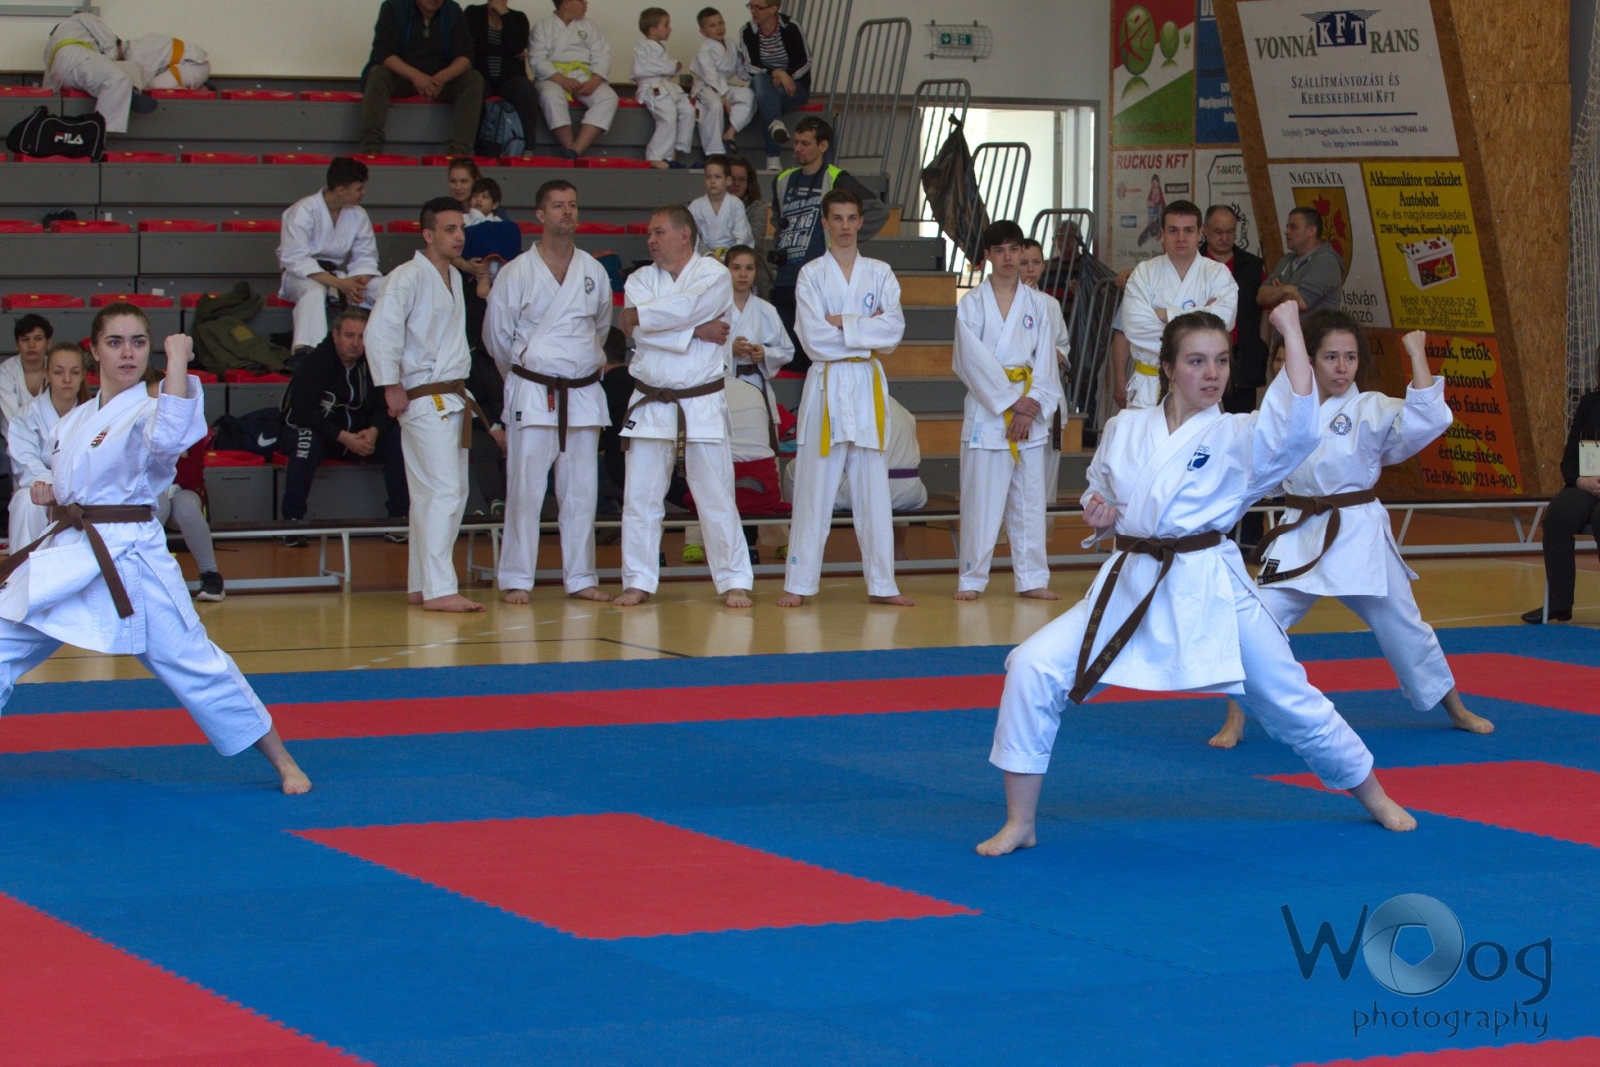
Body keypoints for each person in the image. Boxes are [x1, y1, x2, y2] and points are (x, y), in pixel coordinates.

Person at [976, 303, 1417, 857]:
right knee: (1031, 665)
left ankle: (1374, 795)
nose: (1212, 374)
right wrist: (1100, 513)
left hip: (1210, 585)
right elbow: (1103, 492)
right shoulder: (1125, 427)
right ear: (1167, 367)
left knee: (1290, 699)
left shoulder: (1240, 434)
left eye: (1222, 361)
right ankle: (1021, 821)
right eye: (1196, 361)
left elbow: (1299, 423)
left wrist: (1289, 331)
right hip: (1132, 583)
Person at [0, 306, 310, 795]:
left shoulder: (151, 409)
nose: (128, 353)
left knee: (194, 662)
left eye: (139, 342)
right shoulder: (75, 421)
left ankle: (283, 759)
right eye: (116, 342)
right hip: (75, 554)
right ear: (94, 350)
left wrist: (179, 361)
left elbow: (170, 438)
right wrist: (50, 491)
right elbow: (76, 484)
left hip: (131, 560)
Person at [1208, 315, 1492, 748]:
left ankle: (1456, 708)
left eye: (1350, 357)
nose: (1342, 367)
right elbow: (1259, 470)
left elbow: (1426, 419)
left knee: (1404, 627)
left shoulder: (1371, 408)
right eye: (1331, 357)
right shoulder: (1287, 412)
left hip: (1357, 533)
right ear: (1309, 360)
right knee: (1254, 620)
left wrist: (1417, 354)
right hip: (1300, 532)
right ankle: (1235, 718)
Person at [779, 189, 912, 608]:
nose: (845, 226)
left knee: (873, 489)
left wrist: (841, 322)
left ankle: (883, 584)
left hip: (866, 385)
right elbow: (814, 339)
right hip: (827, 383)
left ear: (860, 222)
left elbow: (893, 332)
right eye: (837, 218)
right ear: (825, 222)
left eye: (851, 218)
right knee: (814, 488)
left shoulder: (880, 272)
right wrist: (863, 327)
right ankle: (799, 583)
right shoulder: (811, 274)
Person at [615, 205, 754, 609]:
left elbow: (670, 314)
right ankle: (638, 580)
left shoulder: (714, 275)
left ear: (684, 235)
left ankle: (733, 579)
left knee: (715, 496)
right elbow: (641, 334)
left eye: (658, 232)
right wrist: (696, 331)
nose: (650, 240)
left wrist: (646, 318)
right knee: (640, 499)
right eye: (649, 233)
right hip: (650, 401)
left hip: (700, 401)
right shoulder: (640, 279)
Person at [485, 179, 614, 605]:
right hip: (533, 390)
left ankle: (581, 577)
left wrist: (573, 362)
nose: (567, 212)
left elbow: (600, 329)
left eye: (573, 205)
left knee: (581, 493)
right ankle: (516, 577)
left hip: (581, 392)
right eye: (558, 205)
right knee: (525, 491)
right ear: (540, 214)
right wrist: (529, 367)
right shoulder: (516, 272)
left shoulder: (593, 271)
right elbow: (497, 338)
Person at [365, 197, 486, 613]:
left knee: (438, 493)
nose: (459, 236)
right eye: (450, 229)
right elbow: (380, 332)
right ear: (428, 235)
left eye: (461, 229)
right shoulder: (406, 277)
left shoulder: (452, 277)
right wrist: (390, 385)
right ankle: (440, 588)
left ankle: (421, 584)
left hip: (450, 397)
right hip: (423, 396)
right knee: (443, 491)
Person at [953, 222, 1063, 602]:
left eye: (1013, 250)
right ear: (987, 256)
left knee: (1029, 501)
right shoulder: (971, 304)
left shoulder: (1039, 304)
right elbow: (969, 362)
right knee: (981, 500)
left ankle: (1032, 578)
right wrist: (1011, 401)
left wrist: (1029, 409)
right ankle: (971, 577)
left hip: (1029, 412)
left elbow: (1046, 362)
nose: (1007, 258)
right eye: (999, 250)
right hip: (989, 413)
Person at [682, 243, 791, 562]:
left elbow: (786, 351)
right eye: (736, 267)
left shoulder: (766, 310)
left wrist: (763, 353)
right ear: (726, 270)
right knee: (709, 462)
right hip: (718, 388)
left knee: (764, 462)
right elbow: (695, 346)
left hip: (755, 390)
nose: (743, 274)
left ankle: (776, 534)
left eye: (749, 268)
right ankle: (696, 537)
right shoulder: (713, 309)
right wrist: (730, 349)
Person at [769, 117, 888, 374]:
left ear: (823, 146)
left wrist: (844, 236)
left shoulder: (836, 177)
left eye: (805, 143)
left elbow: (878, 211)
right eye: (796, 143)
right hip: (786, 279)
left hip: (821, 279)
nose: (797, 149)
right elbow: (779, 221)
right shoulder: (782, 180)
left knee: (817, 355)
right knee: (789, 360)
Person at [279, 307, 409, 541]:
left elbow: (386, 406)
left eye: (362, 337)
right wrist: (342, 436)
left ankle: (398, 519)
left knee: (400, 438)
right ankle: (292, 522)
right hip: (323, 434)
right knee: (305, 442)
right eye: (349, 336)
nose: (356, 343)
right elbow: (304, 412)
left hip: (361, 436)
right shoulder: (315, 363)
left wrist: (374, 431)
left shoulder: (374, 363)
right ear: (335, 335)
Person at [1117, 200, 1239, 411]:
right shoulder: (1143, 274)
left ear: (1200, 233)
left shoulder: (1218, 274)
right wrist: (1202, 317)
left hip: (1201, 384)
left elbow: (1222, 322)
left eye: (1188, 230)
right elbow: (1136, 328)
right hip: (1149, 385)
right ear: (1162, 234)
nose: (1181, 238)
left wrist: (1168, 314)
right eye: (1173, 230)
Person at [277, 157, 384, 357]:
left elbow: (365, 256)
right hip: (300, 276)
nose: (363, 192)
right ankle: (309, 352)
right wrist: (340, 284)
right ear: (341, 190)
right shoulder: (303, 210)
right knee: (314, 290)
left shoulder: (358, 214)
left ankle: (386, 347)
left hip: (338, 276)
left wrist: (359, 281)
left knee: (383, 287)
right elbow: (296, 260)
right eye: (359, 188)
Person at [40, 14, 208, 134]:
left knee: (116, 76)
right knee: (118, 78)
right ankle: (102, 131)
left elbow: (49, 79)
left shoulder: (53, 45)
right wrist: (115, 58)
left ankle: (129, 92)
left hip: (65, 72)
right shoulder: (84, 18)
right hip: (79, 57)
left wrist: (50, 97)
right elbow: (109, 46)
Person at [360, 0, 485, 158]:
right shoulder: (393, 7)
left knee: (473, 79)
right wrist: (415, 76)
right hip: (403, 78)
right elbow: (383, 53)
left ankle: (459, 151)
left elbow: (466, 56)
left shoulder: (452, 11)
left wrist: (442, 77)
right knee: (378, 74)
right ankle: (370, 149)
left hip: (439, 82)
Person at [1524, 387, 1600, 624]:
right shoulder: (1590, 402)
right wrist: (1580, 480)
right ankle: (1559, 604)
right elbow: (1570, 457)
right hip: (1588, 484)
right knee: (1558, 515)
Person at [8, 341, 89, 552]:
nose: (67, 379)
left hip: (81, 491)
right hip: (41, 488)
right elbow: (25, 465)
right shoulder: (26, 416)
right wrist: (55, 488)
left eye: (74, 372)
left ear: (83, 375)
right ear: (47, 374)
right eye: (58, 372)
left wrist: (69, 490)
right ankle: (24, 567)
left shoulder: (93, 416)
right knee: (27, 501)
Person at [1020, 238, 1071, 519]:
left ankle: (1044, 535)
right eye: (1024, 263)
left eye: (1036, 262)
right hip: (1018, 396)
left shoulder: (1051, 304)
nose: (1031, 269)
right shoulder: (1002, 303)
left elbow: (1063, 344)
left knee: (1047, 477)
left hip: (1049, 398)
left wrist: (1059, 355)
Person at [530, 0, 618, 160]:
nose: (586, 4)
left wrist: (594, 81)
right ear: (566, 3)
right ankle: (569, 145)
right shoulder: (543, 26)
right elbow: (537, 59)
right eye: (581, 0)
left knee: (608, 97)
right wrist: (561, 80)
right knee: (551, 96)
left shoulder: (589, 26)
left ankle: (576, 150)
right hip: (552, 75)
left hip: (583, 74)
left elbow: (602, 56)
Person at [1202, 205, 1267, 414]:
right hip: (1200, 352)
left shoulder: (1253, 266)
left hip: (1242, 356)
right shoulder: (1191, 262)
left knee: (1241, 420)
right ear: (1205, 230)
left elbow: (1265, 310)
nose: (1224, 238)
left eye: (1230, 232)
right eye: (1218, 232)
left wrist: (1262, 345)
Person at [739, 0, 810, 170]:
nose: (753, 11)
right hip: (765, 83)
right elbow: (750, 66)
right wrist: (777, 73)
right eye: (751, 6)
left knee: (766, 101)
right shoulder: (747, 31)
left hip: (793, 86)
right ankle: (775, 125)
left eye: (758, 7)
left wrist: (787, 76)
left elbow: (805, 61)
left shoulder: (791, 26)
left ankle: (773, 159)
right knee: (760, 80)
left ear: (773, 9)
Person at [463, 0, 543, 151]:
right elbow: (475, 46)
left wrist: (505, 15)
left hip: (510, 77)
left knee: (525, 89)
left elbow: (516, 46)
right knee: (475, 87)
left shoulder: (518, 18)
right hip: (482, 75)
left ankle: (529, 148)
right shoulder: (472, 13)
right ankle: (471, 147)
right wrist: (507, 52)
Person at [632, 8, 695, 169]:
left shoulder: (658, 47)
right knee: (668, 117)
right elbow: (644, 67)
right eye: (666, 25)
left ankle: (678, 147)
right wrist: (672, 66)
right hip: (652, 88)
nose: (670, 29)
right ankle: (656, 157)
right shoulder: (642, 47)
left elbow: (660, 68)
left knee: (688, 110)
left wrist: (672, 68)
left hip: (666, 86)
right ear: (653, 30)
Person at [1259, 206, 1344, 318]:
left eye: (1293, 227)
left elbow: (1300, 302)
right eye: (1287, 227)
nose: (1286, 231)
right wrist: (1286, 289)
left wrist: (1275, 295)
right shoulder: (1287, 259)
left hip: (1313, 330)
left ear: (1311, 231)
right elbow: (1261, 296)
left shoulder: (1326, 261)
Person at [692, 7, 755, 155]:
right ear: (703, 31)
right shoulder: (704, 50)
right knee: (715, 105)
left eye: (721, 23)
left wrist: (756, 74)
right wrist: (724, 98)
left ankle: (730, 132)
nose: (719, 28)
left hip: (725, 86)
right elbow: (711, 76)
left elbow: (741, 71)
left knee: (749, 95)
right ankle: (714, 151)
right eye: (712, 25)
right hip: (706, 87)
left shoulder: (731, 44)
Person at [726, 154, 773, 294]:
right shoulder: (709, 207)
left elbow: (754, 242)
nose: (736, 184)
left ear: (749, 183)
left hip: (753, 275)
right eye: (733, 178)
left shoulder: (757, 207)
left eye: (742, 180)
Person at [690, 154, 754, 256]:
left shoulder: (736, 204)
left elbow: (742, 236)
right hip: (704, 258)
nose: (712, 181)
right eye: (708, 177)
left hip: (732, 257)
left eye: (717, 177)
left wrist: (729, 257)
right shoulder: (695, 206)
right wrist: (708, 255)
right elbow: (693, 237)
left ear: (728, 180)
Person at [0, 315, 53, 437]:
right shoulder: (5, 372)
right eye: (25, 339)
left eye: (38, 339)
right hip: (14, 439)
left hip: (52, 439)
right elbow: (14, 420)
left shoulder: (57, 369)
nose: (31, 345)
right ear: (17, 344)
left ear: (48, 343)